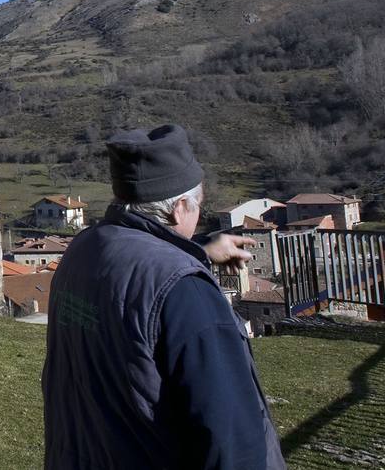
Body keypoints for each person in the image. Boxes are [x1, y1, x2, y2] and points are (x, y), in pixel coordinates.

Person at [42, 124, 285, 470]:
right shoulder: (186, 293)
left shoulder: (82, 250)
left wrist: (196, 250)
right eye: (198, 204)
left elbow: (130, 278)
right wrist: (184, 266)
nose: (199, 214)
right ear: (178, 209)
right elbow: (231, 437)